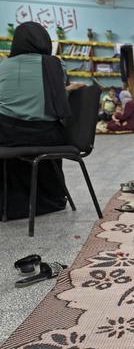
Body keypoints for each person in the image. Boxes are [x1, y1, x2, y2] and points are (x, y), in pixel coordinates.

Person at [0, 21, 85, 220]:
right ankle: (49, 199)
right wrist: (68, 90)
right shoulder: (56, 65)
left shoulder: (3, 66)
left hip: (8, 138)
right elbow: (48, 97)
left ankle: (9, 204)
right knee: (52, 127)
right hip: (47, 138)